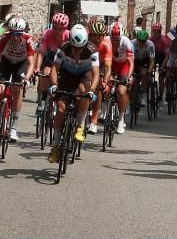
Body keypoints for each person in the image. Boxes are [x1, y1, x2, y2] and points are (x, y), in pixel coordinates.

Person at [47, 24, 99, 163]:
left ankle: (80, 126)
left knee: (83, 91)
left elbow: (96, 74)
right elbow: (54, 68)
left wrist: (92, 91)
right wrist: (53, 85)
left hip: (84, 75)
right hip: (67, 76)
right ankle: (56, 147)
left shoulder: (92, 50)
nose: (77, 51)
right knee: (61, 109)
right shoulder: (63, 48)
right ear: (70, 42)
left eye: (80, 48)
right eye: (74, 48)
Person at [0, 17, 36, 142]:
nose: (15, 37)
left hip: (21, 63)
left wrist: (26, 78)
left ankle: (13, 126)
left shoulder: (28, 40)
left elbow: (31, 63)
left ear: (22, 33)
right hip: (7, 61)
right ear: (10, 32)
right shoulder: (4, 38)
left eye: (18, 34)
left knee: (17, 89)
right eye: (13, 34)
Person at [107, 22, 135, 134]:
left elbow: (131, 62)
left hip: (124, 67)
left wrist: (128, 77)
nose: (115, 41)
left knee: (122, 90)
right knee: (105, 85)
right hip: (112, 66)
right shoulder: (106, 41)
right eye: (113, 39)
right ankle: (105, 109)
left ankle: (121, 118)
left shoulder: (126, 42)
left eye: (117, 39)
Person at [36, 13, 70, 103]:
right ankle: (43, 97)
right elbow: (41, 53)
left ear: (65, 29)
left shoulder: (68, 36)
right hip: (50, 59)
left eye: (60, 29)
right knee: (45, 73)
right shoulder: (47, 33)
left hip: (63, 60)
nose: (57, 31)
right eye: (55, 28)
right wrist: (37, 68)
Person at [132, 28, 156, 109]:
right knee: (132, 79)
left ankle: (144, 96)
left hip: (146, 60)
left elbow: (152, 60)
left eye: (143, 41)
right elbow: (130, 59)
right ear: (137, 39)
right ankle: (131, 101)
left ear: (146, 40)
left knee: (144, 74)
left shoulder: (150, 45)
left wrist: (149, 71)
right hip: (135, 60)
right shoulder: (132, 43)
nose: (141, 43)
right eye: (139, 41)